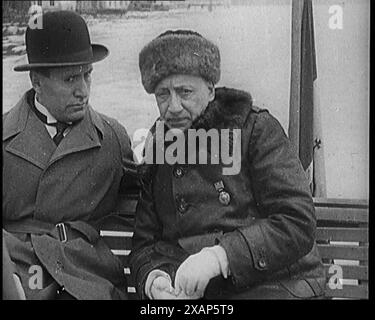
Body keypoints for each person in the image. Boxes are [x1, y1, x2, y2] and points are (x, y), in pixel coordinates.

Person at [130, 30, 326, 299]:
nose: (173, 107)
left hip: (277, 285)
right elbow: (145, 244)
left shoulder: (254, 129)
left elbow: (297, 222)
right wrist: (155, 279)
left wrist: (219, 257)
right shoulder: (159, 144)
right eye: (163, 94)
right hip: (194, 295)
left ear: (210, 90)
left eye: (185, 92)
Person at [3, 10, 137, 300]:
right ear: (36, 82)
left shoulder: (112, 137)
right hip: (17, 273)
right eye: (70, 79)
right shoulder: (4, 138)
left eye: (87, 75)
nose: (83, 91)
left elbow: (141, 205)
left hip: (86, 275)